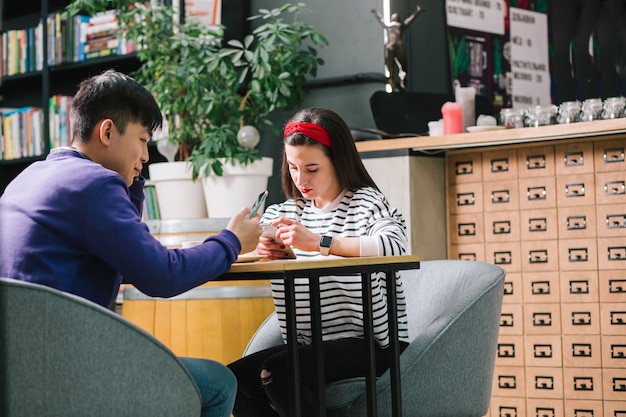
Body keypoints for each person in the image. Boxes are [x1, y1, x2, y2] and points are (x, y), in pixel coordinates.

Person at [0, 69, 262, 417]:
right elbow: (162, 276)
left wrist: (131, 183)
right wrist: (232, 241)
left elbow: (122, 257)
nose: (147, 155)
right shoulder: (94, 185)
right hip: (68, 370)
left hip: (16, 369)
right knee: (218, 382)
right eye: (142, 139)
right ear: (107, 131)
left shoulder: (29, 177)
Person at [227, 107, 410, 417]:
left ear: (337, 159)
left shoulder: (366, 203)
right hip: (310, 344)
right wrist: (277, 256)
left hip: (371, 343)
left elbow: (394, 246)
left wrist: (319, 243)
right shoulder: (282, 213)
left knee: (279, 371)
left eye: (312, 168)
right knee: (233, 381)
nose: (301, 179)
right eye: (294, 168)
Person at [372, 5, 424, 92]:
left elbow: (381, 19)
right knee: (400, 68)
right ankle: (397, 82)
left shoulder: (390, 25)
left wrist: (376, 13)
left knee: (394, 68)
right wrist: (417, 12)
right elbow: (410, 20)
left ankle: (395, 83)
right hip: (396, 47)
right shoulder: (398, 25)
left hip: (391, 47)